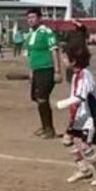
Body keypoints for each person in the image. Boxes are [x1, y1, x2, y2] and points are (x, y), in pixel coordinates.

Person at [56, 40, 96, 186]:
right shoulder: (76, 74)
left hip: (91, 117)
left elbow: (81, 96)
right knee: (67, 140)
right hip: (80, 115)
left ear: (73, 61)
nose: (63, 60)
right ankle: (83, 169)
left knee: (86, 146)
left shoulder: (85, 75)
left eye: (65, 58)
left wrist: (63, 103)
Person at [24, 8, 61, 139]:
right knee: (36, 97)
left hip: (47, 69)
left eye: (33, 17)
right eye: (28, 18)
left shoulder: (47, 32)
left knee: (42, 98)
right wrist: (31, 71)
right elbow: (30, 55)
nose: (30, 20)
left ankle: (49, 129)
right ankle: (44, 126)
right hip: (36, 70)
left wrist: (57, 71)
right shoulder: (30, 35)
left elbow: (54, 50)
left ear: (39, 18)